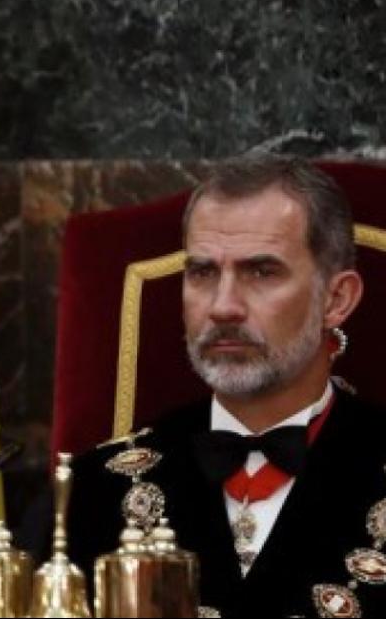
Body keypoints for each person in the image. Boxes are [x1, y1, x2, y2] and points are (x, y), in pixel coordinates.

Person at [54, 155, 386, 617]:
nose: (223, 306)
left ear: (336, 299)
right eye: (203, 273)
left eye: (262, 272)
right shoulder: (93, 491)